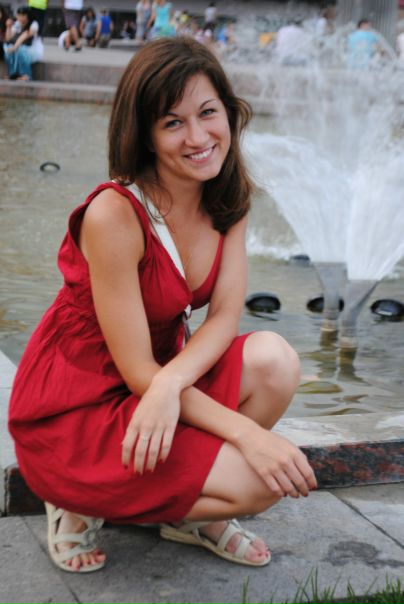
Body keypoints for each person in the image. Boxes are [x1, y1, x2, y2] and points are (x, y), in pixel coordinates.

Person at [8, 37, 317, 573]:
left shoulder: (228, 196)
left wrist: (171, 386)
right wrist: (247, 435)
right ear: (146, 135)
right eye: (173, 123)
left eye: (207, 113)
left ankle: (184, 515)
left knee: (276, 361)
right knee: (258, 483)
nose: (198, 137)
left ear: (228, 111)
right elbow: (135, 371)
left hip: (160, 380)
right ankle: (76, 504)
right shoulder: (114, 214)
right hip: (81, 405)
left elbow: (224, 316)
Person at [3, 7, 44, 80]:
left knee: (20, 49)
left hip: (34, 51)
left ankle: (26, 75)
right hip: (20, 48)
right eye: (18, 15)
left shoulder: (34, 24)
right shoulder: (17, 24)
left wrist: (15, 47)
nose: (20, 18)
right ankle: (12, 74)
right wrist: (8, 27)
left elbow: (25, 35)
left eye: (22, 15)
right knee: (8, 48)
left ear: (27, 15)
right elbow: (8, 38)